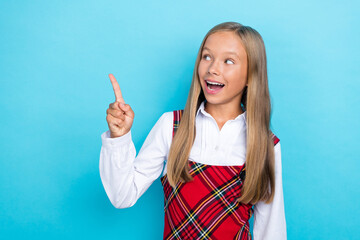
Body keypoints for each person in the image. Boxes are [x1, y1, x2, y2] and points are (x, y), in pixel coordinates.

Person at [100, 21, 287, 239]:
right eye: (207, 56)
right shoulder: (171, 126)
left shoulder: (266, 144)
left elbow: (271, 230)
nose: (213, 68)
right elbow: (122, 195)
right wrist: (119, 137)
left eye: (228, 61)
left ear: (251, 76)